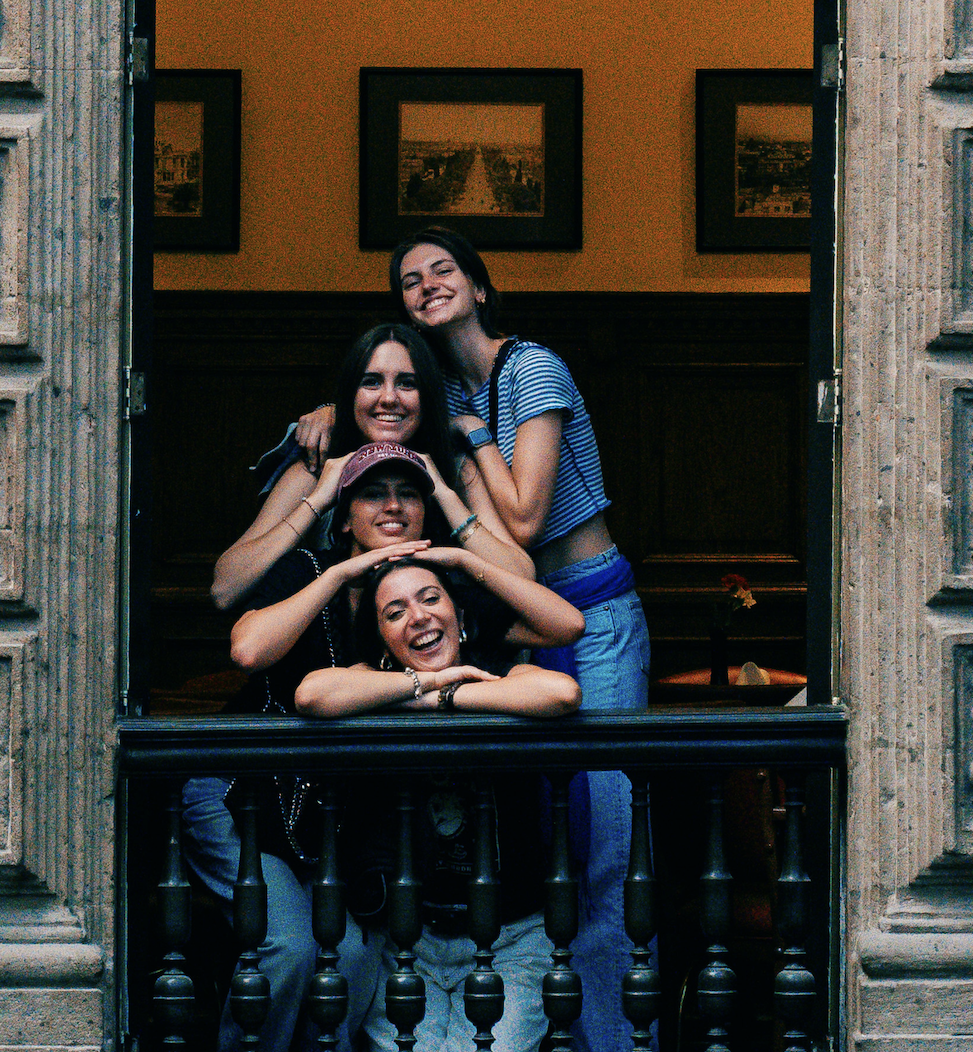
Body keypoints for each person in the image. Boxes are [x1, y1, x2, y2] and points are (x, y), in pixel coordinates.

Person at [298, 227, 649, 1052]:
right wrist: (325, 411)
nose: (426, 285)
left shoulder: (529, 368)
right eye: (409, 280)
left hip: (589, 612)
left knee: (606, 851)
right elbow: (382, 416)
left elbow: (522, 519)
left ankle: (618, 1043)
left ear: (481, 287)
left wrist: (473, 437)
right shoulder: (444, 388)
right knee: (550, 829)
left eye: (442, 271)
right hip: (510, 613)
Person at [182, 440, 568, 1052]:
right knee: (290, 947)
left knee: (353, 962)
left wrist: (462, 568)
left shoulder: (438, 599)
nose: (393, 506)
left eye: (408, 492)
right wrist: (344, 572)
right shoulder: (311, 572)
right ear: (344, 516)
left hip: (323, 824)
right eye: (372, 493)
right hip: (248, 800)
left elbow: (564, 631)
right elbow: (268, 664)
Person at [296, 557, 580, 1052]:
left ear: (460, 616)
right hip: (411, 944)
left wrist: (453, 696)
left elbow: (560, 693)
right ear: (382, 637)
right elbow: (313, 694)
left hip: (511, 941)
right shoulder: (378, 683)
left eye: (431, 598)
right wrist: (424, 687)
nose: (419, 617)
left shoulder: (493, 666)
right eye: (395, 611)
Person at [213, 323, 532, 614]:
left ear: (428, 397)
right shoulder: (317, 464)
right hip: (336, 662)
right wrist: (319, 499)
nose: (389, 398)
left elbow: (523, 580)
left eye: (407, 383)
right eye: (371, 382)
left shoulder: (455, 467)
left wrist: (444, 492)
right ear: (351, 395)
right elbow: (225, 589)